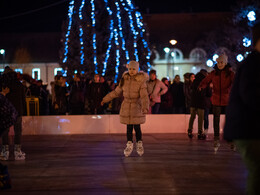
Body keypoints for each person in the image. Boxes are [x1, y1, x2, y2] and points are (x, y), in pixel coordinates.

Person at [224, 22, 260, 195]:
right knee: (258, 171)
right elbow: (251, 96)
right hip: (248, 130)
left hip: (247, 128)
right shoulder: (253, 64)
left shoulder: (252, 63)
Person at [101, 61, 149, 157]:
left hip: (136, 106)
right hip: (126, 106)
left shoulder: (141, 81)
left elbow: (144, 96)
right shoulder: (124, 80)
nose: (131, 71)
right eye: (130, 69)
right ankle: (129, 144)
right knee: (129, 127)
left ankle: (139, 144)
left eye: (133, 69)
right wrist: (105, 99)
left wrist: (145, 107)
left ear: (137, 70)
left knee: (137, 127)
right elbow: (116, 92)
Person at [199, 54, 234, 150]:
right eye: (218, 62)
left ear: (225, 63)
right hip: (216, 99)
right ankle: (216, 139)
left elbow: (235, 82)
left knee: (229, 119)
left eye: (221, 62)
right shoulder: (214, 73)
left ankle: (231, 140)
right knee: (216, 119)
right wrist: (201, 85)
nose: (220, 64)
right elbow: (206, 80)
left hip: (227, 99)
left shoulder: (230, 74)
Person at [0, 69, 26, 161]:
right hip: (18, 111)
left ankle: (5, 152)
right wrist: (24, 112)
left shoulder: (3, 86)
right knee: (18, 131)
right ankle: (17, 152)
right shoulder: (20, 85)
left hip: (6, 112)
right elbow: (23, 100)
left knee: (5, 131)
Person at [187, 70, 211, 140]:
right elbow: (209, 93)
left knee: (192, 117)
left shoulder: (194, 81)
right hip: (201, 102)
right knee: (200, 118)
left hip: (193, 102)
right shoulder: (205, 82)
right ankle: (200, 132)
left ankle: (189, 130)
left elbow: (191, 90)